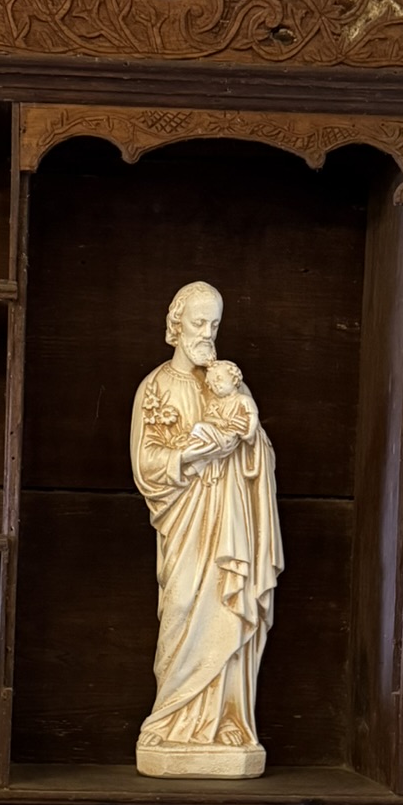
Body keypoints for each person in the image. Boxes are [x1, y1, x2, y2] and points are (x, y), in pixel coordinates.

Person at [130, 281, 283, 776]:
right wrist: (190, 454)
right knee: (179, 607)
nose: (207, 334)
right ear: (176, 325)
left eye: (214, 324)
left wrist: (245, 443)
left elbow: (259, 451)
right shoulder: (155, 387)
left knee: (228, 605)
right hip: (186, 522)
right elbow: (146, 464)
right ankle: (170, 721)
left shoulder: (230, 383)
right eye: (199, 323)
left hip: (230, 521)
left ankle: (227, 721)